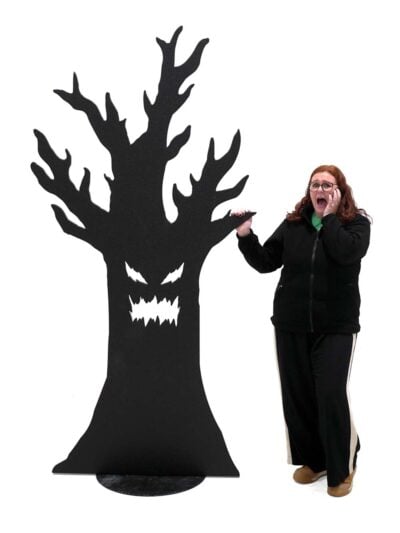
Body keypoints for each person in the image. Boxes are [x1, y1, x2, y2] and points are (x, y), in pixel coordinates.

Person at [232, 164, 370, 497]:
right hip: (291, 324)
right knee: (299, 396)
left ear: (339, 191)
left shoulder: (356, 224)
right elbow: (266, 261)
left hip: (336, 326)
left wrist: (331, 218)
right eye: (315, 184)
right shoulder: (294, 224)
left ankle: (343, 465)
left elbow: (347, 252)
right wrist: (245, 236)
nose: (320, 189)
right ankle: (316, 460)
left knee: (330, 394)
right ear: (309, 191)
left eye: (328, 185)